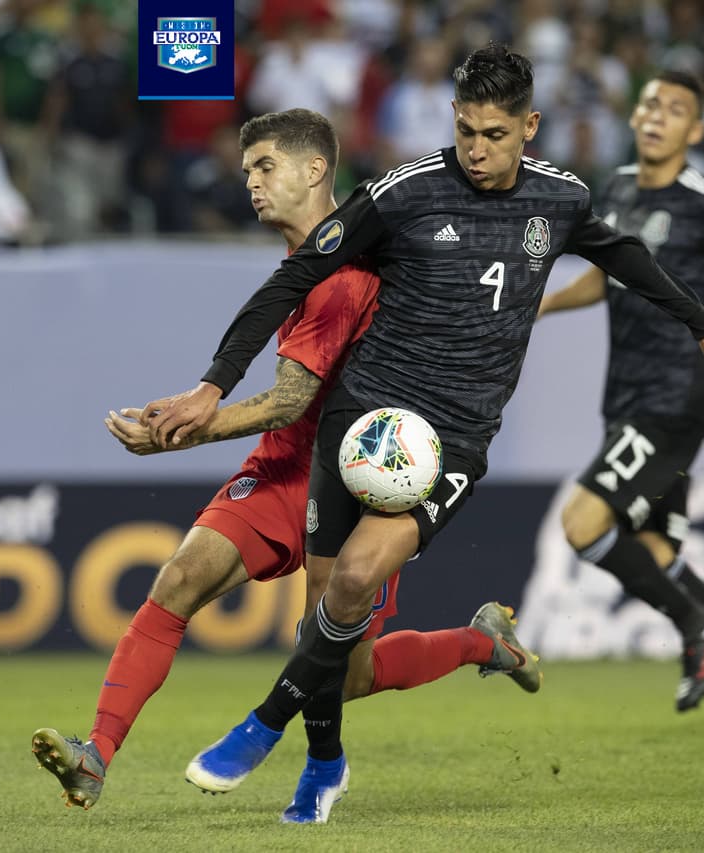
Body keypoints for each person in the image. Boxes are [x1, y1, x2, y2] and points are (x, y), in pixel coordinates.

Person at [145, 43, 704, 821]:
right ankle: (326, 766)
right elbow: (295, 274)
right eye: (465, 131)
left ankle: (263, 725)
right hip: (361, 421)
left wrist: (702, 324)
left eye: (494, 134)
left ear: (529, 126)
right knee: (328, 627)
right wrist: (212, 383)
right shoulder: (404, 192)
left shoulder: (559, 199)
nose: (478, 150)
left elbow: (621, 251)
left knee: (356, 582)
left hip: (448, 441)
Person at [29, 108, 542, 822]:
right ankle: (96, 756)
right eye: (247, 172)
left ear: (314, 171)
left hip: (362, 480)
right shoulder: (305, 271)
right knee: (177, 580)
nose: (251, 185)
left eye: (264, 167)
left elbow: (289, 398)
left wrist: (181, 427)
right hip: (284, 467)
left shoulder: (356, 269)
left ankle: (478, 642)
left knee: (342, 673)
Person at [537, 70, 704, 735]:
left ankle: (700, 624)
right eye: (651, 103)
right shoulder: (618, 188)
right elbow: (605, 281)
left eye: (676, 108)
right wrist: (535, 306)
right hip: (622, 395)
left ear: (696, 130)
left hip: (676, 396)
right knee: (657, 549)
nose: (658, 115)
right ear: (635, 115)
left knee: (583, 522)